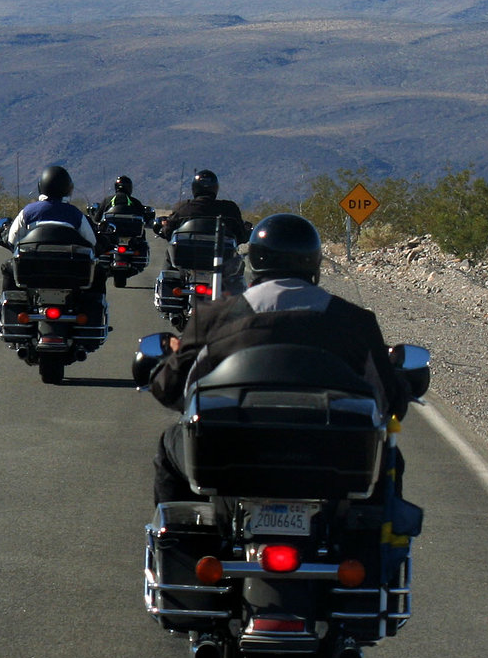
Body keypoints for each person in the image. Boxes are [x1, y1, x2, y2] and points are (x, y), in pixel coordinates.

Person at [145, 213, 408, 504]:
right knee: (387, 455)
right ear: (314, 262)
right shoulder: (357, 322)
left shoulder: (213, 318)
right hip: (328, 460)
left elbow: (169, 389)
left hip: (231, 456)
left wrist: (173, 360)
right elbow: (391, 402)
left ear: (255, 260)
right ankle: (375, 547)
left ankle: (181, 544)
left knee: (171, 443)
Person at [0, 165, 103, 291]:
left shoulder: (27, 212)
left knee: (8, 268)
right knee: (98, 270)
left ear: (41, 186)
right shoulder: (75, 214)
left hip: (33, 271)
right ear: (68, 188)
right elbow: (92, 243)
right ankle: (95, 308)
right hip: (69, 273)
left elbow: (12, 240)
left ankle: (13, 306)